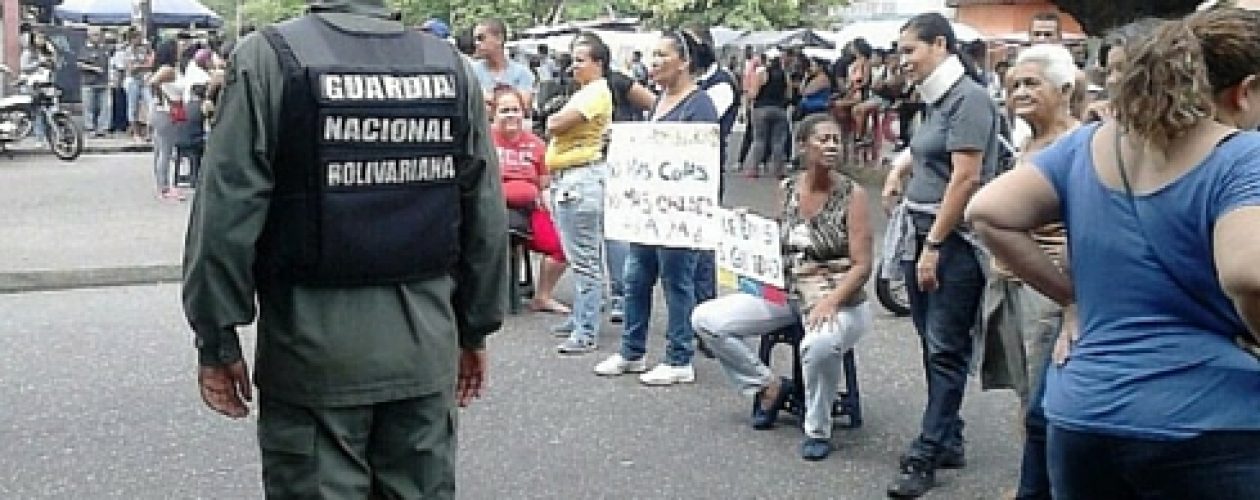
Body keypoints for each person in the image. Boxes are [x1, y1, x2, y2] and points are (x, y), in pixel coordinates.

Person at [181, 0, 506, 497]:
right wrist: (475, 327)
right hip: (423, 352)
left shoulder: (269, 58)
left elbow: (226, 212)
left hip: (311, 356)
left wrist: (216, 337)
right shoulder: (449, 66)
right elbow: (483, 210)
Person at [967, 8, 1260, 499]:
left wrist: (1071, 298)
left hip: (1083, 418)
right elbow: (1248, 274)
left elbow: (988, 212)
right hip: (1208, 422)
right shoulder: (1241, 155)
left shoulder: (1084, 145)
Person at [696, 112, 874, 462]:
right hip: (789, 289)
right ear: (805, 146)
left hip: (839, 295)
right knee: (707, 320)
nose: (831, 146)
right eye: (823, 139)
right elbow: (778, 238)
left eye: (836, 140)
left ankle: (817, 428)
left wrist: (832, 302)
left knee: (820, 344)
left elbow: (863, 265)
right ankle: (767, 386)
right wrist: (747, 228)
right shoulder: (788, 187)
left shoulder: (853, 195)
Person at [880, 12, 1005, 498]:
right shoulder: (938, 99)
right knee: (931, 343)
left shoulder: (969, 99)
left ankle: (926, 454)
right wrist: (898, 169)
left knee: (945, 347)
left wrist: (934, 246)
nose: (903, 60)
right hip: (921, 230)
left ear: (939, 44)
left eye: (909, 50)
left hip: (950, 239)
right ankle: (948, 436)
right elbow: (926, 149)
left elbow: (966, 177)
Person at [975, 43, 1079, 500]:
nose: (1019, 92)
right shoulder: (1030, 143)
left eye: (1031, 83)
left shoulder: (1076, 144)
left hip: (1049, 289)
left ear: (1066, 88)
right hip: (1010, 283)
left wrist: (1073, 301)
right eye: (1014, 84)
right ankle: (1032, 484)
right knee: (1025, 393)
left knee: (1047, 401)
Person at [593, 31, 718, 386]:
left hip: (680, 214)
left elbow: (703, 162)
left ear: (685, 61)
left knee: (677, 281)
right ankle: (632, 351)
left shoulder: (699, 104)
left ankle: (680, 357)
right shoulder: (660, 100)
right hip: (649, 214)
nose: (654, 62)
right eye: (653, 55)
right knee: (636, 279)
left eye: (663, 55)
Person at [546, 33, 613, 354]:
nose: (574, 66)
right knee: (581, 257)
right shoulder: (588, 92)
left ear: (598, 64)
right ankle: (580, 319)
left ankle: (586, 330)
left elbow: (557, 123)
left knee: (585, 260)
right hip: (573, 178)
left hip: (580, 180)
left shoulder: (595, 93)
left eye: (581, 60)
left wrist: (552, 119)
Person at [491, 87, 570, 315]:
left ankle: (542, 296)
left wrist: (552, 213)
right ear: (494, 114)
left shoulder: (537, 144)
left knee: (562, 247)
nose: (510, 115)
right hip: (492, 209)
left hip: (530, 209)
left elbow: (544, 185)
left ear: (523, 113)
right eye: (504, 110)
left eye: (515, 110)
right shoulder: (484, 140)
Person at [742, 48, 790, 178]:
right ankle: (779, 170)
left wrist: (749, 97)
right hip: (779, 110)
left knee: (759, 140)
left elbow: (754, 93)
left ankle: (754, 169)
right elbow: (789, 94)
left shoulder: (762, 73)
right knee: (778, 141)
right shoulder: (784, 75)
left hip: (761, 109)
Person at [472, 18, 536, 109]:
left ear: (499, 39)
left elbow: (523, 106)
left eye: (481, 38)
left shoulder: (522, 73)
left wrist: (486, 98)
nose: (476, 43)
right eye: (475, 40)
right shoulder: (471, 72)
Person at [78, 27, 112, 138]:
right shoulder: (84, 49)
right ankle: (90, 129)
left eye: (98, 34)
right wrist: (94, 68)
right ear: (89, 36)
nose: (98, 37)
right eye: (95, 35)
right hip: (89, 82)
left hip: (104, 82)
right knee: (89, 107)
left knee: (106, 107)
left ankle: (103, 129)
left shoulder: (104, 48)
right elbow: (79, 64)